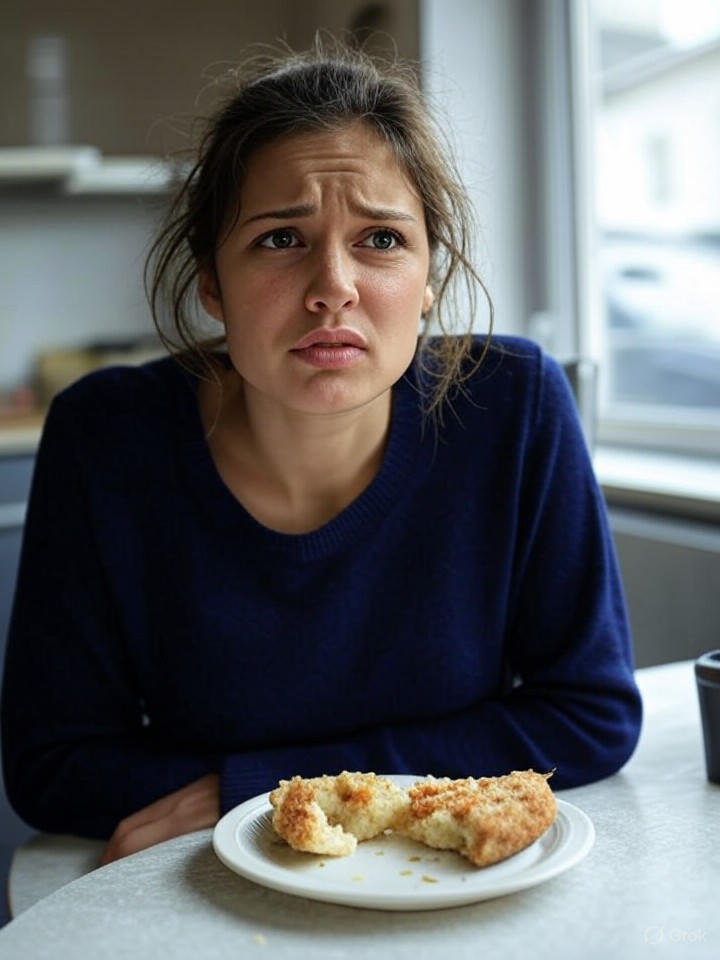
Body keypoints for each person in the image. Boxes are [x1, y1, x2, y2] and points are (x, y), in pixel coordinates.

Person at [1, 38, 642, 867]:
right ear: (210, 280)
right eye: (280, 239)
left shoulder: (514, 404)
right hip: (211, 890)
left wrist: (259, 789)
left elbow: (590, 714)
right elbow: (53, 764)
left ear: (430, 276)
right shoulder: (107, 437)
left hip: (446, 887)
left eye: (381, 239)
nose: (333, 286)